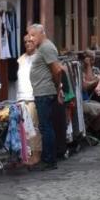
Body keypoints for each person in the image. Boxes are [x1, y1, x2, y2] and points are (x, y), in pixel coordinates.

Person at [25, 24, 65, 170]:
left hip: (45, 92)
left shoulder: (47, 47)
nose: (31, 38)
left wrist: (57, 86)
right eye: (29, 35)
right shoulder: (43, 48)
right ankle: (48, 158)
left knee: (45, 126)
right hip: (42, 91)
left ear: (42, 33)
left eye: (33, 35)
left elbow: (57, 70)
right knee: (45, 126)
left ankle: (49, 160)